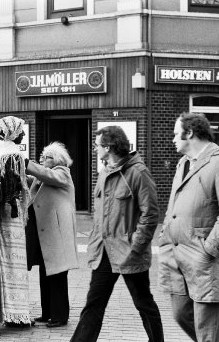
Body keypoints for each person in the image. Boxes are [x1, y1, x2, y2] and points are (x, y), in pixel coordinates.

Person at [71, 126, 163, 342]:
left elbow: (150, 215)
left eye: (97, 145)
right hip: (104, 252)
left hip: (130, 252)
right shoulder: (104, 172)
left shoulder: (138, 173)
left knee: (144, 303)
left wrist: (136, 246)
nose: (95, 149)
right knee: (94, 304)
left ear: (109, 146)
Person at [158, 113, 219, 342]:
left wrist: (209, 250)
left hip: (204, 257)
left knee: (206, 330)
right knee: (180, 314)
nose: (173, 139)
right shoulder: (184, 163)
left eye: (177, 134)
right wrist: (166, 231)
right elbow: (173, 206)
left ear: (190, 133)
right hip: (176, 255)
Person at [24, 142, 79, 328]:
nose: (42, 159)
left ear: (56, 160)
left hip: (58, 237)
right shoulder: (44, 177)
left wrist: (27, 164)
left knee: (57, 277)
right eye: (42, 156)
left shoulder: (62, 173)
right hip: (46, 235)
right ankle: (47, 312)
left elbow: (47, 175)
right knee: (45, 274)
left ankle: (60, 316)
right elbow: (34, 180)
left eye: (46, 157)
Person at [0, 116, 32, 327]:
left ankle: (8, 311)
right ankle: (15, 312)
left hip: (0, 214)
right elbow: (12, 190)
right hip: (10, 215)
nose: (23, 135)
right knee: (13, 261)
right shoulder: (13, 155)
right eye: (21, 131)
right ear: (13, 132)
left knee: (2, 260)